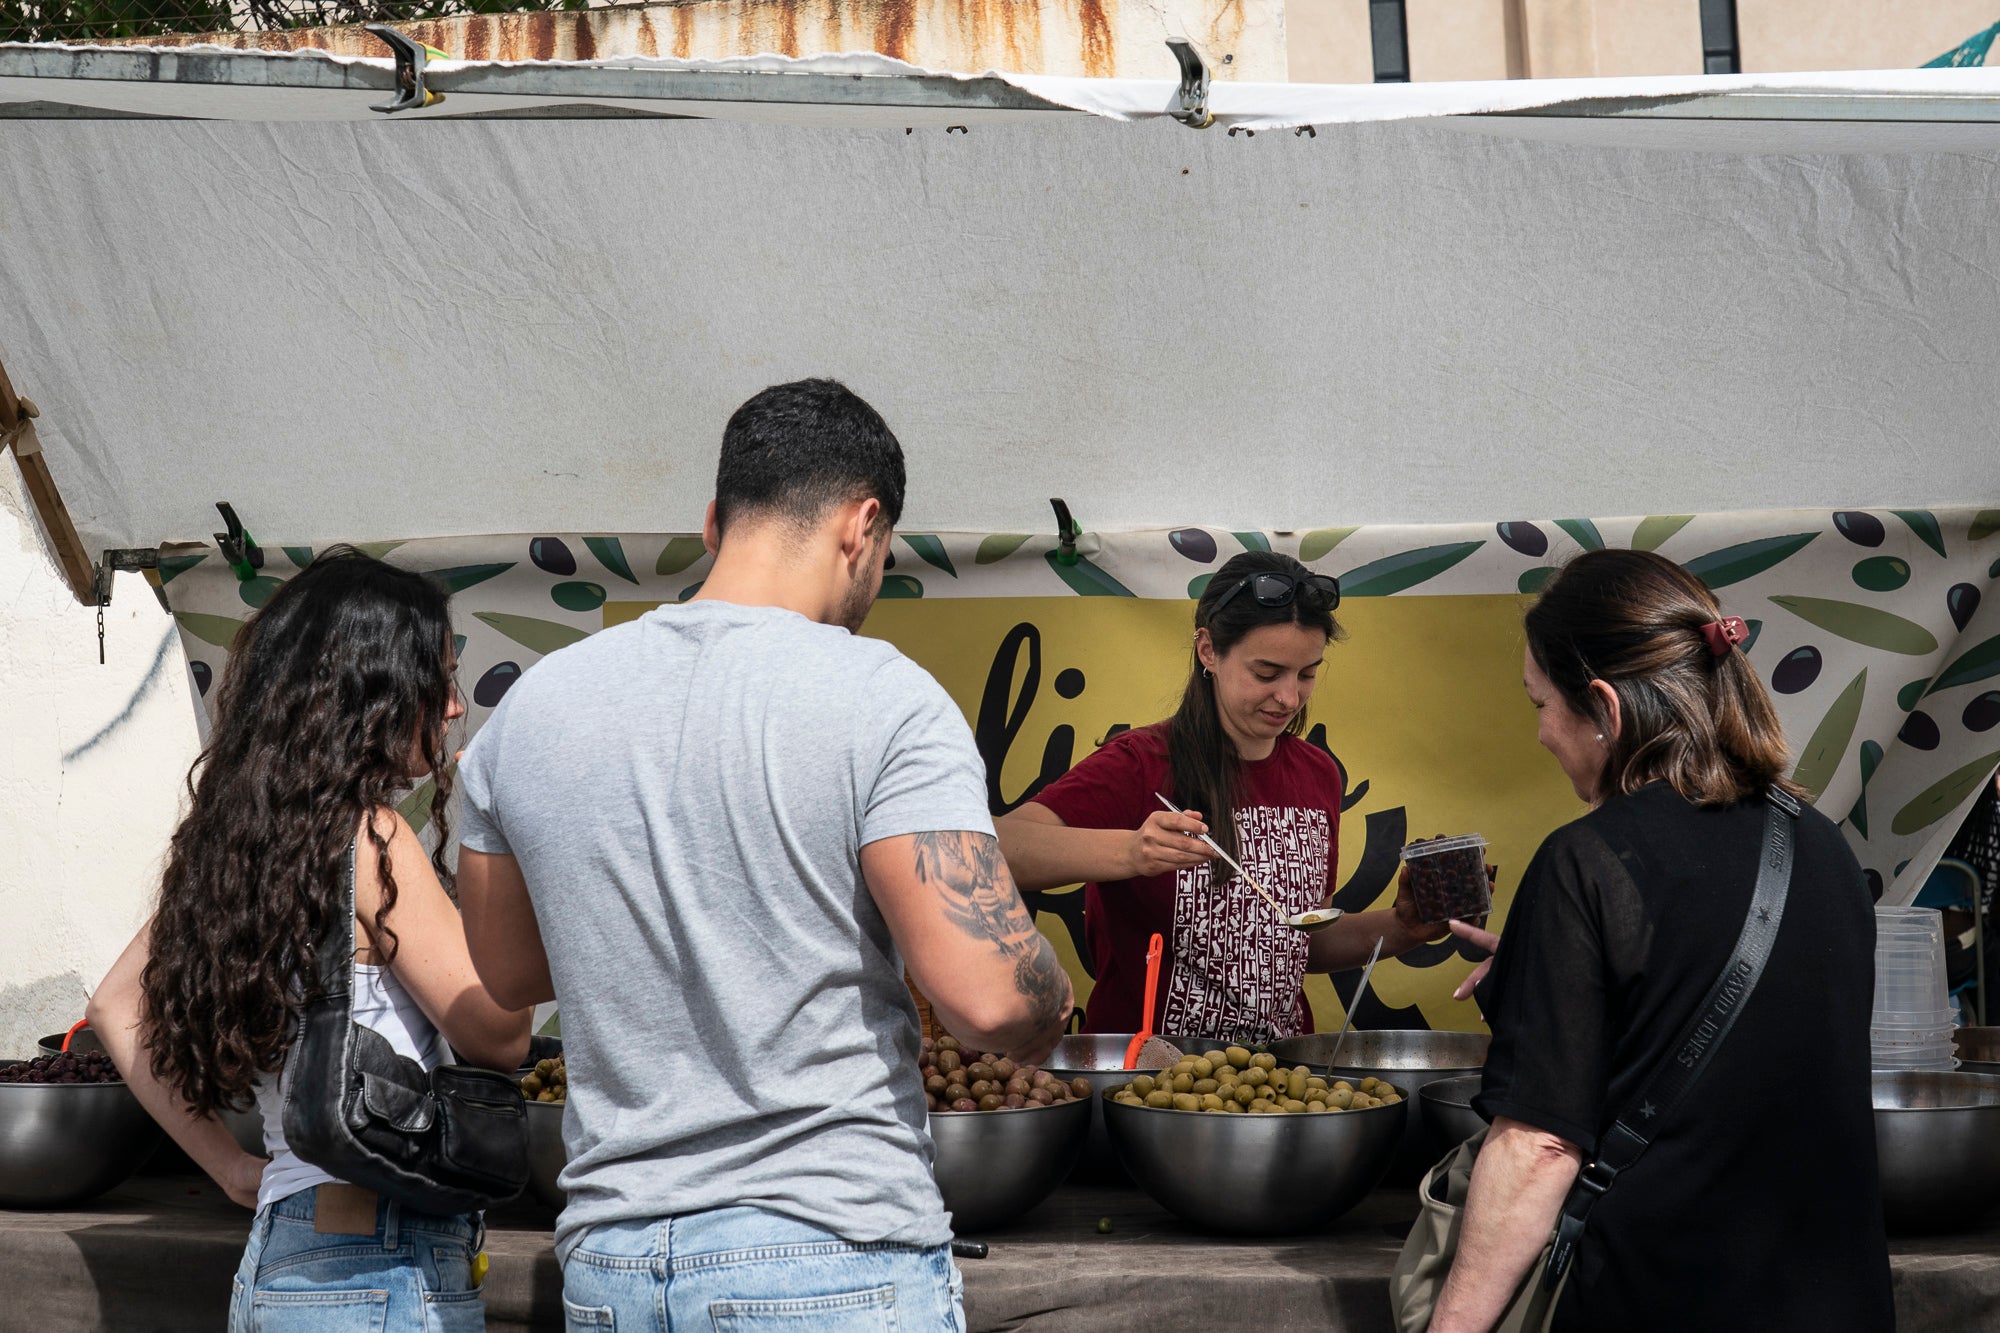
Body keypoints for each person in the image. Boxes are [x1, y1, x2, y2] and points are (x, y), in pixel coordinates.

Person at [454, 378, 1070, 1330]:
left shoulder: (533, 707)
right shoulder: (884, 697)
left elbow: (507, 973)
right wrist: (1048, 989)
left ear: (713, 521)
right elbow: (989, 1000)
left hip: (614, 1259)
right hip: (828, 1249)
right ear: (863, 526)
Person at [1429, 548, 1892, 1333]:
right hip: (1837, 1303)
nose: (1541, 732)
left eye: (1541, 703)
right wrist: (1560, 964)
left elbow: (1539, 1148)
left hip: (1660, 1300)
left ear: (1605, 708)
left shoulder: (1587, 862)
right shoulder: (1824, 846)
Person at [87, 548, 533, 1331]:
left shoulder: (240, 846)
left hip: (282, 1249)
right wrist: (509, 835)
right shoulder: (375, 837)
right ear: (375, 690)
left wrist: (231, 1166)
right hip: (381, 1261)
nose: (456, 706)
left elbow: (113, 1003)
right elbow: (500, 1034)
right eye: (442, 678)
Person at [996, 550, 1445, 1044]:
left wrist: (1403, 928)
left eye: (1307, 673)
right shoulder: (1141, 762)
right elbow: (992, 849)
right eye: (1267, 672)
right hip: (1147, 1084)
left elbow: (1297, 941)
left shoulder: (1318, 774)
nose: (1290, 698)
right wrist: (1130, 852)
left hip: (1277, 1080)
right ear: (1208, 651)